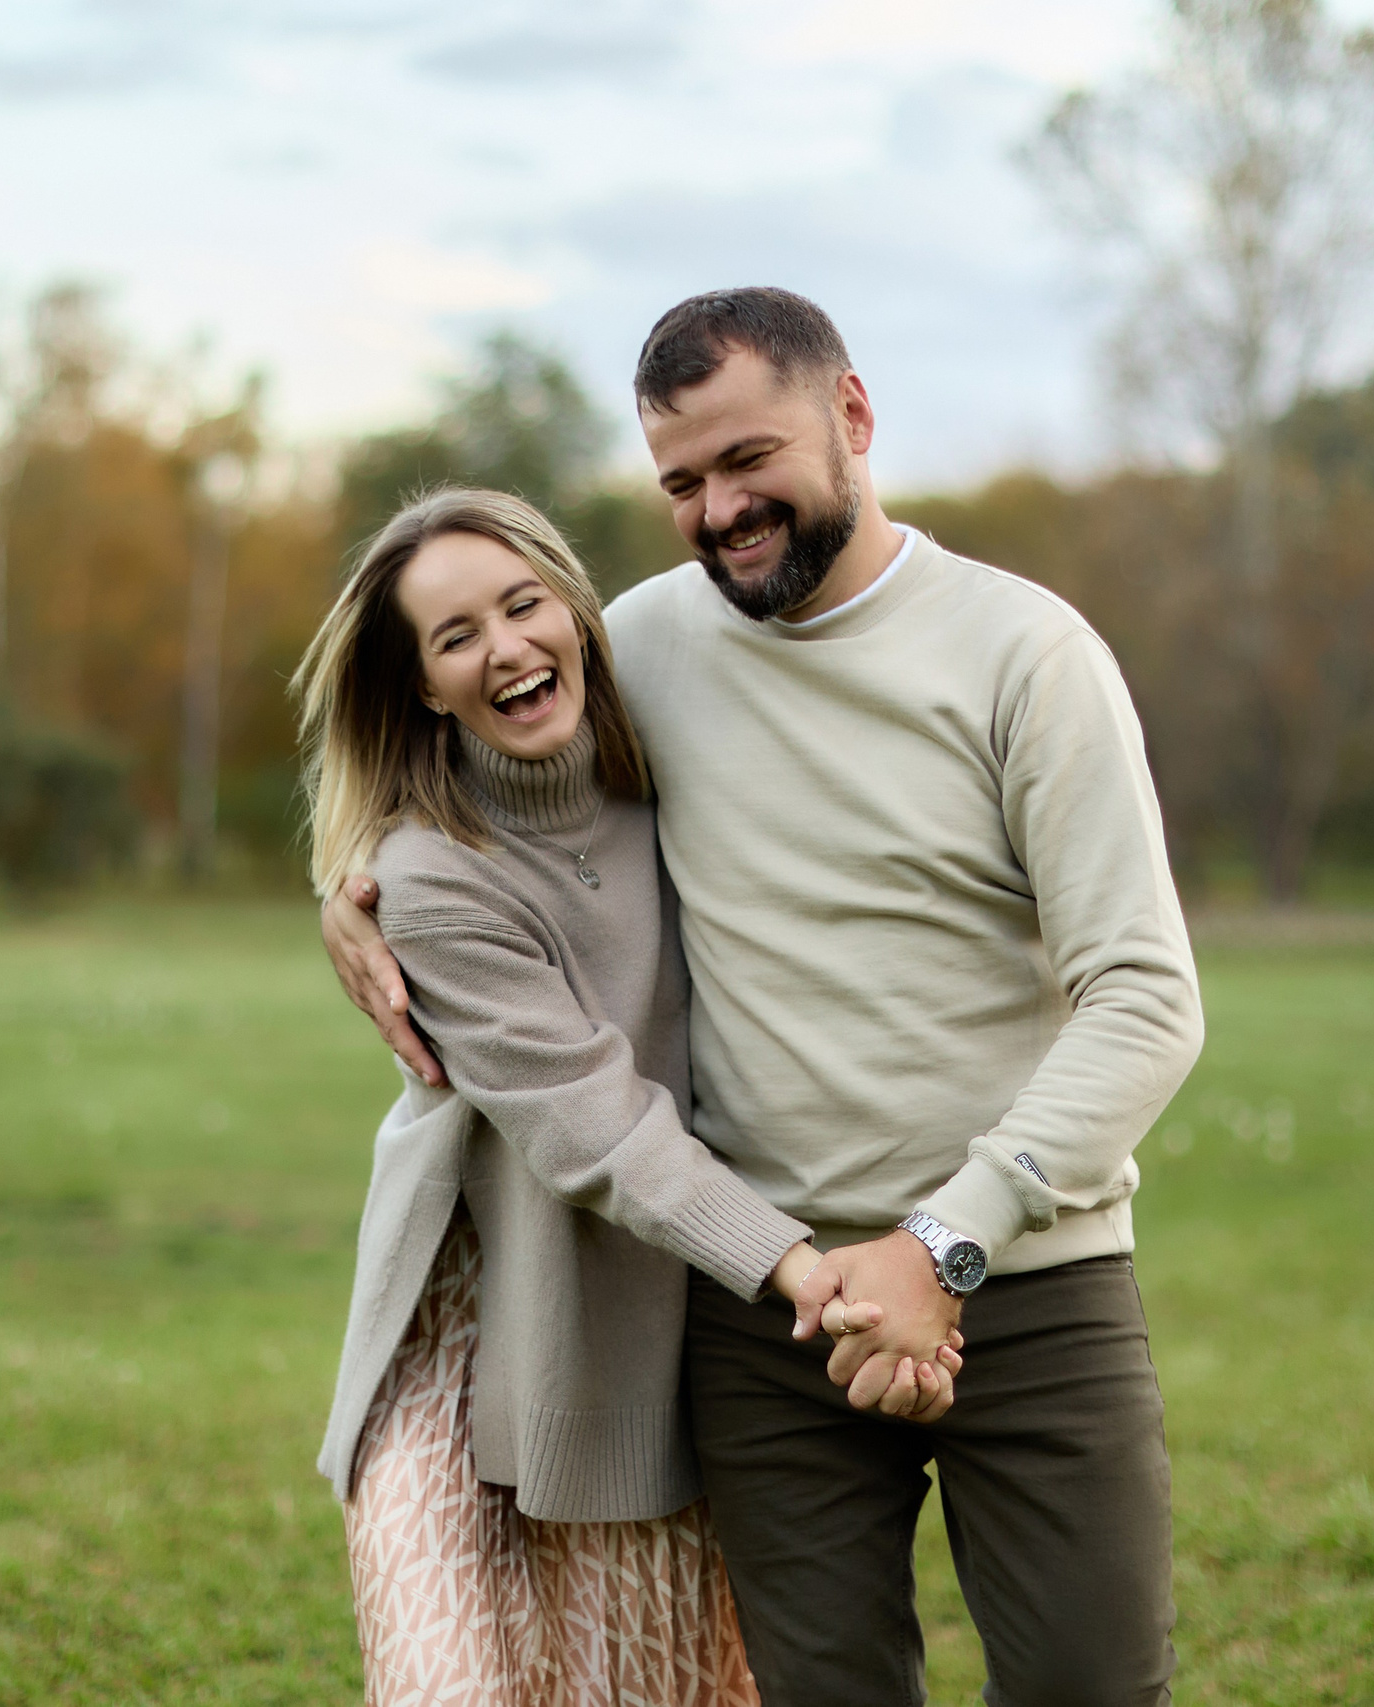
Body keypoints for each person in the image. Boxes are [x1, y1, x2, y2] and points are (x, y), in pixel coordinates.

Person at [323, 289, 1206, 1706]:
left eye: (751, 461)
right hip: (767, 1317)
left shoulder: (1027, 656)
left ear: (853, 417)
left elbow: (1148, 997)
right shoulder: (645, 648)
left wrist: (946, 1244)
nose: (721, 508)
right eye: (682, 480)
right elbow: (490, 757)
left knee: (1092, 1687)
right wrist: (356, 882)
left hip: (1027, 1279)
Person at [297, 486, 962, 1707]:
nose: (504, 648)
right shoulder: (429, 877)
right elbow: (592, 1123)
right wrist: (803, 1269)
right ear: (421, 690)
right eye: (454, 638)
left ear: (575, 613)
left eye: (521, 603)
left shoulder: (675, 773)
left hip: (642, 1317)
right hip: (474, 1322)